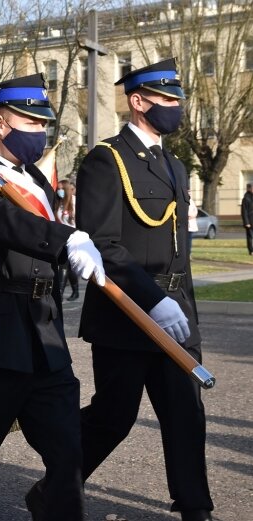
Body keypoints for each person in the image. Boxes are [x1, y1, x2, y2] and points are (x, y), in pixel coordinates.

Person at [0, 73, 105, 521]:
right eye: (31, 123)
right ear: (1, 124)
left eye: (43, 124)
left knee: (69, 454)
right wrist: (62, 238)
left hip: (45, 340)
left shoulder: (35, 181)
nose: (40, 134)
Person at [76, 58, 214, 521]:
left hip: (177, 310)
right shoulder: (106, 159)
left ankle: (196, 509)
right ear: (138, 102)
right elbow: (103, 244)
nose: (175, 108)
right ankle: (57, 486)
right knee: (114, 417)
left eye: (178, 100)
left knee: (186, 415)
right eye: (166, 100)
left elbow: (179, 248)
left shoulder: (172, 164)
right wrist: (154, 300)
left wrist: (185, 311)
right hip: (129, 311)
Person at [55, 179, 80, 301]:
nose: (59, 191)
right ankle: (75, 292)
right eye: (58, 189)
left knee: (64, 266)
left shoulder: (74, 201)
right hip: (63, 238)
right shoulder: (59, 203)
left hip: (75, 239)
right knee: (67, 267)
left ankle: (60, 292)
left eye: (61, 189)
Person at [242, 183, 253, 255]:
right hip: (250, 221)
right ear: (249, 189)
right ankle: (251, 251)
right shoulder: (246, 198)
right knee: (250, 236)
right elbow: (244, 211)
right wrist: (246, 222)